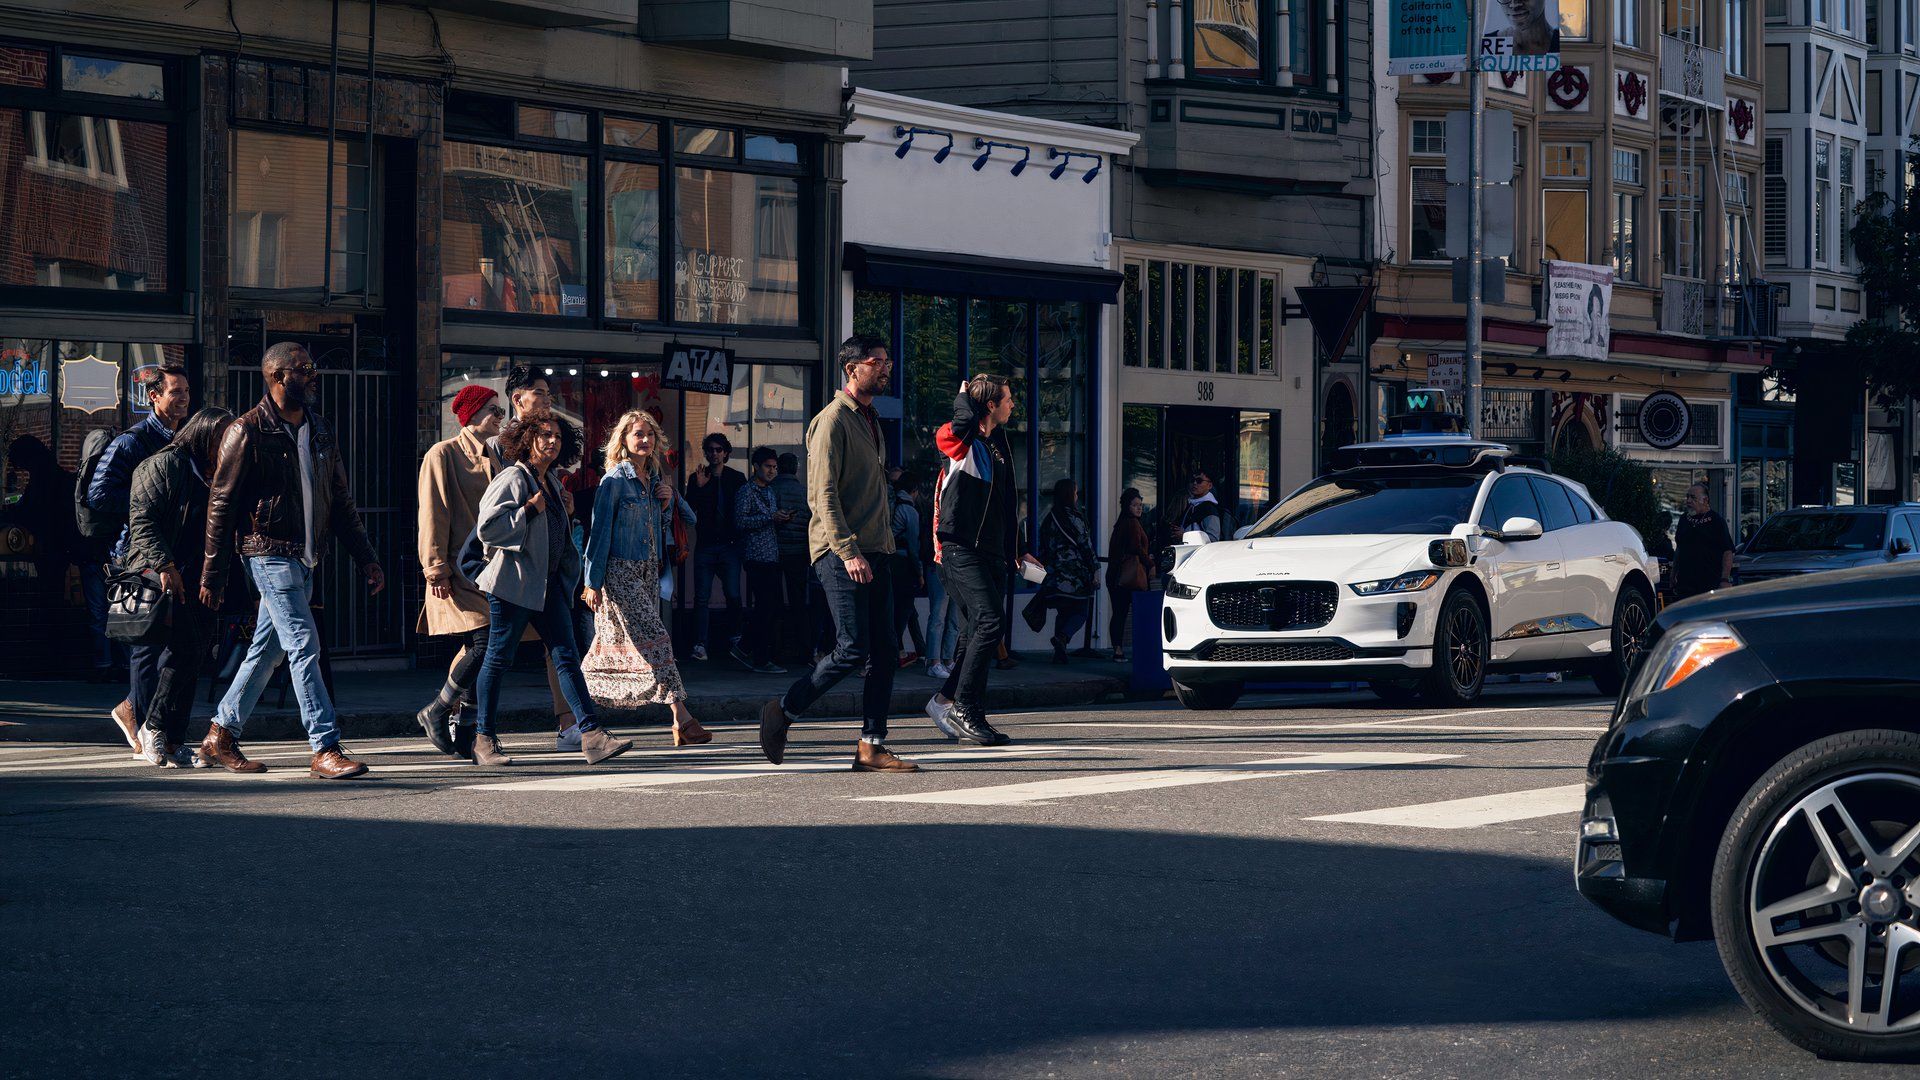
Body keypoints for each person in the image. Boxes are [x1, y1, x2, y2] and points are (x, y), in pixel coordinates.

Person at [198, 342, 385, 779]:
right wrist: (213, 572)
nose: (313, 376)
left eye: (312, 367)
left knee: (268, 651)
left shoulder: (319, 429)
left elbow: (339, 500)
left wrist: (367, 558)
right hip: (266, 553)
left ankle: (220, 732)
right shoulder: (246, 431)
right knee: (304, 644)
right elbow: (220, 505)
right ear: (277, 377)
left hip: (306, 558)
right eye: (304, 369)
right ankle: (324, 746)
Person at [758, 335, 917, 772]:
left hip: (877, 550)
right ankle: (783, 710)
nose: (886, 368)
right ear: (852, 369)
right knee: (852, 648)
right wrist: (848, 551)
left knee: (885, 650)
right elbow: (821, 495)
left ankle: (871, 745)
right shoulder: (832, 421)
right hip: (840, 552)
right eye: (877, 362)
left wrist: (883, 546)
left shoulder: (870, 418)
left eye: (887, 361)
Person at [471, 408, 632, 767]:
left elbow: (552, 535)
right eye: (544, 435)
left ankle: (592, 735)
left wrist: (567, 513)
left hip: (548, 587)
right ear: (527, 439)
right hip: (514, 587)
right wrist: (527, 510)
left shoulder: (552, 482)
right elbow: (488, 529)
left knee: (566, 655)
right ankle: (483, 739)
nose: (552, 441)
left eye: (557, 437)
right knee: (498, 658)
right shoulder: (514, 477)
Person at [580, 409, 710, 743]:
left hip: (649, 571)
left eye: (649, 435)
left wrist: (668, 504)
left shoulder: (654, 480)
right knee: (659, 639)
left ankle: (576, 708)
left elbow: (690, 519)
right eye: (638, 434)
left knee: (639, 646)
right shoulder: (614, 481)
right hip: (620, 571)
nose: (645, 440)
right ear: (623, 440)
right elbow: (599, 533)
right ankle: (684, 718)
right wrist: (592, 581)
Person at [88, 359, 192, 749]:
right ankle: (145, 720)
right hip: (138, 553)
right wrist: (145, 503)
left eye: (185, 392)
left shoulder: (181, 439)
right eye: (175, 392)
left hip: (173, 552)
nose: (183, 399)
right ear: (154, 396)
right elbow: (98, 494)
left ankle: (136, 710)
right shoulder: (133, 442)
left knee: (171, 641)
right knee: (146, 641)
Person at [486, 364, 592, 748]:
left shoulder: (549, 458)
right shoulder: (502, 450)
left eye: (549, 395)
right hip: (508, 570)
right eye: (542, 394)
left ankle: (582, 728)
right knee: (491, 653)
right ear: (519, 399)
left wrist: (564, 507)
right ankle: (468, 721)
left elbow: (548, 511)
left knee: (562, 650)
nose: (549, 400)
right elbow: (491, 516)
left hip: (546, 573)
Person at [123, 407, 235, 768]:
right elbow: (143, 521)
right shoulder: (166, 464)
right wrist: (164, 565)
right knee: (182, 650)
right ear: (204, 435)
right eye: (222, 437)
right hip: (163, 573)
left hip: (196, 576)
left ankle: (173, 739)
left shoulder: (213, 472)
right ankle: (152, 727)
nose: (228, 445)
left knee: (195, 653)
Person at [924, 374, 1021, 747]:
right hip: (960, 548)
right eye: (1007, 399)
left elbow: (1004, 503)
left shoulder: (994, 444)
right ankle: (965, 709)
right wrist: (964, 400)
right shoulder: (962, 443)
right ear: (990, 405)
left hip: (991, 552)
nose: (1013, 404)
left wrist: (1019, 548)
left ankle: (945, 701)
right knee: (990, 620)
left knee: (973, 633)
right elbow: (949, 434)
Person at [413, 384, 505, 758]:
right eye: (494, 410)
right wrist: (435, 569)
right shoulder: (443, 453)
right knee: (486, 644)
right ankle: (437, 709)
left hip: (491, 570)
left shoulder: (496, 456)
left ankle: (466, 730)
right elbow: (432, 512)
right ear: (471, 415)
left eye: (501, 411)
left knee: (480, 646)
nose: (501, 417)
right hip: (457, 569)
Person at [686, 432, 747, 662]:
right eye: (710, 450)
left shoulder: (737, 478)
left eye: (718, 449)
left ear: (726, 452)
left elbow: (743, 510)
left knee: (733, 594)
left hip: (730, 545)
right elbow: (689, 512)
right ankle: (700, 644)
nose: (714, 453)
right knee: (702, 597)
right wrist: (700, 488)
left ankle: (736, 640)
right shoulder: (698, 477)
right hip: (706, 545)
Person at [733, 446, 789, 674]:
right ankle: (757, 656)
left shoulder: (770, 491)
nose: (772, 471)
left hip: (772, 555)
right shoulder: (747, 491)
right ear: (756, 467)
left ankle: (746, 648)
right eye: (768, 466)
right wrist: (769, 517)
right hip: (756, 556)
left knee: (772, 607)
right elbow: (739, 521)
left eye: (774, 467)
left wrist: (780, 518)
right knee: (765, 607)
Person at [1031, 478, 1098, 664]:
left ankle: (1059, 652)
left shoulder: (1049, 518)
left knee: (1062, 611)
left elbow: (1043, 547)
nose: (1077, 496)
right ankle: (1063, 638)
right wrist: (1095, 570)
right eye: (1075, 492)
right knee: (1081, 611)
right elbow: (1086, 546)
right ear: (1070, 495)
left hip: (1054, 575)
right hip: (1075, 574)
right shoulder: (1076, 518)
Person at [769, 452, 815, 665]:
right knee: (799, 603)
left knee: (775, 603)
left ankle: (776, 651)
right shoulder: (804, 492)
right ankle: (804, 650)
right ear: (796, 468)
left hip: (776, 552)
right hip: (799, 553)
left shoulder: (771, 489)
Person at [1105, 488, 1153, 662]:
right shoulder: (1132, 523)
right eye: (1135, 505)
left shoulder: (1121, 523)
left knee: (1119, 613)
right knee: (1139, 614)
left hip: (1115, 575)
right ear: (1127, 506)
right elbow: (1135, 547)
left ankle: (1117, 649)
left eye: (1141, 505)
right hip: (1128, 577)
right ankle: (1143, 651)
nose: (1139, 508)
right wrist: (1150, 563)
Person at [920, 473, 959, 681]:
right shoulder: (935, 513)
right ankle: (933, 661)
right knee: (939, 615)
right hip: (938, 563)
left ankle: (947, 658)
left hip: (952, 563)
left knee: (952, 617)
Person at [1673, 482, 1736, 600]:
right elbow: (1679, 548)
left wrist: (1724, 579)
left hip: (1708, 583)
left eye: (1693, 498)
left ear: (1705, 500)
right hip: (1685, 584)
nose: (1688, 501)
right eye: (1687, 497)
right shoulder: (1684, 519)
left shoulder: (1716, 521)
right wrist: (1673, 573)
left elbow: (1727, 551)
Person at [890, 468, 927, 667]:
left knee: (896, 609)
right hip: (902, 565)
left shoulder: (891, 503)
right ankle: (895, 653)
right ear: (914, 490)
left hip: (885, 561)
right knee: (903, 611)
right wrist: (919, 573)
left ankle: (910, 650)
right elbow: (913, 547)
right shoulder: (909, 510)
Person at [1180, 469, 1225, 543]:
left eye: (1199, 481)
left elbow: (1213, 539)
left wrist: (1184, 536)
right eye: (1192, 480)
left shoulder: (1209, 508)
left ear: (1209, 485)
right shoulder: (1191, 504)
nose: (1194, 483)